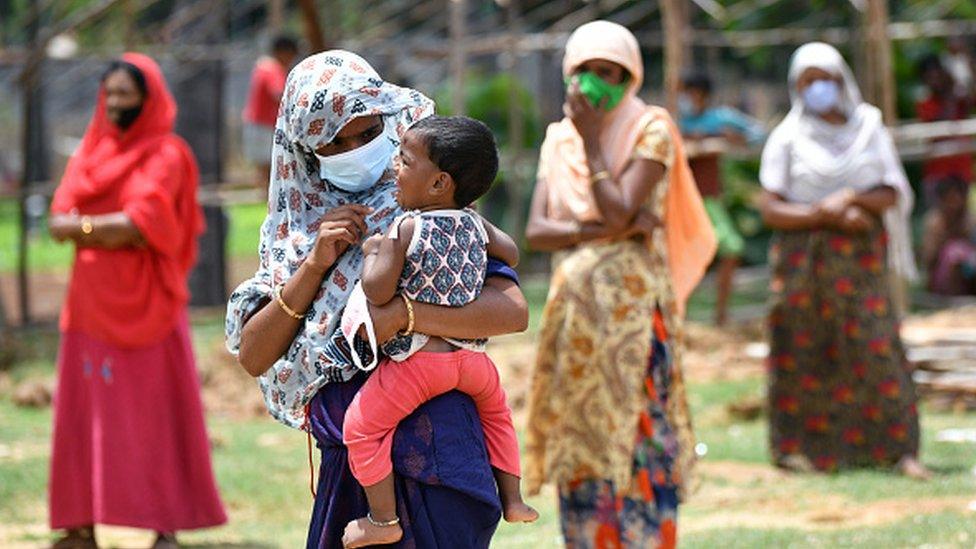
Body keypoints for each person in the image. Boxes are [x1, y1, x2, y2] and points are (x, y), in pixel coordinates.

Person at [225, 50, 529, 549]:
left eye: (367, 134)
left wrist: (402, 316)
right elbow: (255, 355)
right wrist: (315, 264)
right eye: (335, 143)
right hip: (352, 463)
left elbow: (513, 311)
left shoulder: (433, 204)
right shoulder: (296, 229)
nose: (355, 149)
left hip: (439, 448)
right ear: (305, 150)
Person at [524, 21, 716, 548]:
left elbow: (620, 205)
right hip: (576, 314)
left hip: (635, 312)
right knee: (581, 430)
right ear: (570, 73)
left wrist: (592, 147)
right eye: (586, 71)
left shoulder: (650, 128)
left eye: (610, 73)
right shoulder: (556, 138)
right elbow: (538, 231)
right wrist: (599, 229)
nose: (595, 84)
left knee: (640, 426)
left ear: (630, 77)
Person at [47, 54, 226, 549]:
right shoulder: (91, 149)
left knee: (156, 416)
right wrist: (100, 228)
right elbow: (58, 214)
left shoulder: (167, 154)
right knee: (82, 416)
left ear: (149, 99)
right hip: (88, 304)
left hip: (149, 304)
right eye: (109, 94)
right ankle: (79, 526)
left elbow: (140, 223)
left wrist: (82, 228)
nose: (116, 103)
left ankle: (163, 526)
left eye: (126, 94)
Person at [338, 115, 537, 547]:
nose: (394, 165)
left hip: (419, 363)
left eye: (405, 160)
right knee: (499, 419)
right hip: (472, 362)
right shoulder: (475, 223)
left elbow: (377, 290)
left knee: (361, 427)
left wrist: (376, 250)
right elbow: (513, 253)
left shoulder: (406, 227)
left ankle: (383, 520)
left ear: (438, 184)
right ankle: (515, 498)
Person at [759, 42, 928, 478]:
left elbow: (890, 190)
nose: (818, 88)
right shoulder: (787, 137)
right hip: (803, 263)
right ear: (797, 86)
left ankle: (897, 449)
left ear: (841, 79)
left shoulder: (869, 128)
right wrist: (822, 213)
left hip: (861, 261)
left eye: (825, 78)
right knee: (802, 346)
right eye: (808, 80)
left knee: (876, 344)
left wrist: (852, 198)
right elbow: (772, 206)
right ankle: (802, 450)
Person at [679, 71, 766, 325]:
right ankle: (681, 315)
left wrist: (728, 137)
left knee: (731, 248)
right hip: (683, 202)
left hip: (708, 200)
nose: (686, 98)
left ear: (702, 95)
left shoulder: (718, 120)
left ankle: (720, 313)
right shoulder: (676, 121)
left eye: (690, 93)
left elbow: (758, 133)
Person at [242, 34, 299, 191]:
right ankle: (268, 199)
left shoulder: (263, 66)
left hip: (258, 122)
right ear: (283, 51)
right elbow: (278, 93)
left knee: (263, 166)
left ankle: (264, 197)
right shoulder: (273, 68)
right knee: (269, 165)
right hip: (264, 124)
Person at [916, 54, 973, 192]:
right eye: (930, 77)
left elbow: (970, 101)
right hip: (937, 176)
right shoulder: (924, 104)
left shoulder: (959, 98)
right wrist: (950, 95)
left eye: (938, 75)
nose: (935, 81)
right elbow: (940, 124)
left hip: (962, 172)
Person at [922, 175, 976, 295]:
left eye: (957, 198)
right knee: (954, 254)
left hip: (968, 277)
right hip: (941, 279)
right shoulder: (934, 222)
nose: (953, 204)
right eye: (950, 199)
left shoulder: (970, 220)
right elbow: (929, 259)